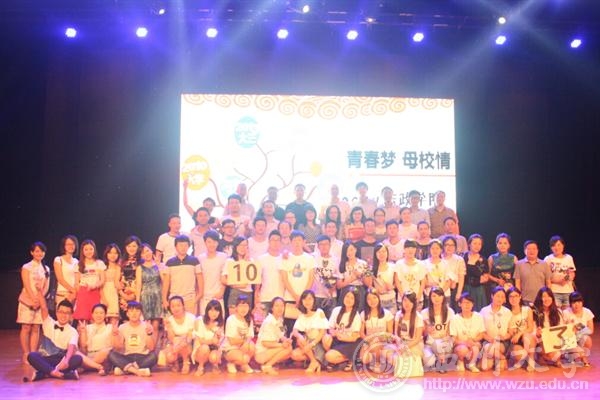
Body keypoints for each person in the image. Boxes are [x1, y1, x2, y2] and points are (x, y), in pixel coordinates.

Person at [27, 295, 82, 381]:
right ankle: (59, 374)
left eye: (67, 313)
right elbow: (44, 307)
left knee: (78, 359)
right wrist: (39, 292)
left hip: (60, 360)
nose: (63, 315)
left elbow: (71, 347)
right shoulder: (49, 323)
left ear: (71, 315)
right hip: (46, 358)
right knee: (32, 356)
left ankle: (45, 373)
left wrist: (66, 361)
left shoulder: (73, 331)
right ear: (56, 313)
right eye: (61, 312)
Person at [17, 242, 50, 377]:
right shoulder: (26, 267)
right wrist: (33, 299)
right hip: (28, 300)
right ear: (32, 253)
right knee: (26, 327)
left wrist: (40, 299)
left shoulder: (46, 268)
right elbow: (26, 284)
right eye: (36, 251)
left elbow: (46, 287)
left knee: (36, 327)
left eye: (41, 251)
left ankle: (33, 354)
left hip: (39, 301)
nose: (39, 253)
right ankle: (26, 353)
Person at [108, 301, 157, 377]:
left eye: (137, 311)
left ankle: (126, 369)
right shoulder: (122, 327)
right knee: (111, 354)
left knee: (153, 356)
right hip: (127, 357)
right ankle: (137, 371)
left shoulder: (147, 326)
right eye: (131, 311)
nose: (134, 313)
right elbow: (118, 347)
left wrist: (149, 334)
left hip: (142, 357)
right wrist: (115, 335)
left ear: (141, 313)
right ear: (127, 313)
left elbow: (151, 348)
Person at [323, 289, 362, 372]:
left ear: (355, 301)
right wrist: (333, 333)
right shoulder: (336, 310)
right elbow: (330, 328)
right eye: (347, 296)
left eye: (352, 298)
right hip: (338, 340)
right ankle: (335, 361)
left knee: (328, 356)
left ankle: (351, 358)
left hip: (350, 343)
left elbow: (354, 337)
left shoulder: (356, 315)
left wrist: (341, 336)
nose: (348, 299)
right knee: (326, 338)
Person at [162, 235, 203, 314]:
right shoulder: (169, 262)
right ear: (176, 247)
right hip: (174, 299)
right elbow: (166, 282)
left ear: (189, 246)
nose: (183, 248)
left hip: (190, 299)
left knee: (190, 321)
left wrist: (197, 298)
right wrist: (164, 299)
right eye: (180, 245)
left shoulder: (195, 261)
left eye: (185, 245)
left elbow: (200, 280)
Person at [291, 290, 329, 373]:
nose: (307, 301)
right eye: (305, 299)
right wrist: (299, 336)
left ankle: (317, 361)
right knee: (294, 353)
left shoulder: (319, 312)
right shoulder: (302, 315)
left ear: (314, 300)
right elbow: (295, 330)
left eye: (309, 299)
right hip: (308, 343)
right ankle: (314, 361)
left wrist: (312, 344)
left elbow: (323, 332)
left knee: (326, 339)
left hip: (318, 342)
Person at [255, 297, 293, 375]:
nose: (280, 308)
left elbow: (281, 335)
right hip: (261, 353)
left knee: (289, 349)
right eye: (277, 306)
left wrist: (287, 340)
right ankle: (267, 365)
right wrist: (282, 345)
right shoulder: (269, 321)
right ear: (272, 308)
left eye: (282, 306)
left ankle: (267, 364)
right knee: (288, 349)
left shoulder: (279, 320)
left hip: (270, 350)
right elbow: (265, 343)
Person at [421, 287, 455, 373]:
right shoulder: (424, 313)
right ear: (430, 297)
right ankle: (438, 360)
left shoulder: (450, 311)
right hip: (430, 344)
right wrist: (427, 330)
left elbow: (451, 331)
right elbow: (422, 333)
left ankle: (441, 363)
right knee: (428, 362)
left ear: (443, 297)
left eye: (439, 296)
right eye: (434, 296)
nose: (437, 298)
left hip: (445, 343)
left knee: (439, 345)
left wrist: (447, 339)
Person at [360, 290, 394, 373]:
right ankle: (376, 360)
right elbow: (361, 333)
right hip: (369, 341)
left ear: (378, 298)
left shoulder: (387, 313)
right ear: (366, 301)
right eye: (369, 299)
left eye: (374, 298)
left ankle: (378, 362)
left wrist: (381, 338)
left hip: (383, 341)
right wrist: (368, 339)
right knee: (364, 358)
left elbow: (390, 332)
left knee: (376, 342)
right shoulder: (363, 314)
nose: (372, 301)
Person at [480, 286, 512, 372]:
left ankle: (496, 356)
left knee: (499, 368)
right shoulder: (484, 311)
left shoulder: (507, 312)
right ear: (492, 296)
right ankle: (502, 358)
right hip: (488, 341)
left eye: (502, 297)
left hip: (502, 342)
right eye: (498, 296)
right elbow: (481, 331)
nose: (500, 299)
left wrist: (504, 337)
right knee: (485, 368)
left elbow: (510, 332)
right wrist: (488, 338)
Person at [221, 236, 257, 314]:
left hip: (248, 293)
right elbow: (223, 279)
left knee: (245, 319)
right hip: (235, 293)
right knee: (233, 318)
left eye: (245, 245)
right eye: (240, 245)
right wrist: (235, 285)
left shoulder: (251, 261)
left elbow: (250, 280)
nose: (242, 248)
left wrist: (245, 261)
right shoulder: (230, 261)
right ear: (236, 246)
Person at [450, 293, 484, 372]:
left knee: (475, 347)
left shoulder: (478, 316)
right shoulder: (455, 318)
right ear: (459, 304)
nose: (467, 305)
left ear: (473, 304)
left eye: (469, 303)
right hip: (460, 344)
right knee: (463, 349)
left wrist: (473, 340)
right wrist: (465, 343)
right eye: (465, 302)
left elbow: (482, 334)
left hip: (474, 342)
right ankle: (460, 361)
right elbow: (453, 339)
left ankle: (472, 364)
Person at [73, 240, 106, 322]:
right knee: (82, 319)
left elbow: (102, 280)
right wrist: (79, 294)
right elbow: (76, 283)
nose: (89, 251)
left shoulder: (99, 263)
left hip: (95, 292)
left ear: (94, 249)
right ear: (82, 251)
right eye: (86, 249)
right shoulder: (78, 265)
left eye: (91, 249)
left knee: (95, 319)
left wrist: (94, 286)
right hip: (83, 292)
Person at [532, 287, 565, 368]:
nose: (546, 299)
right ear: (540, 298)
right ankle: (542, 355)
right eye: (544, 296)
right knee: (554, 356)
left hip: (554, 341)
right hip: (540, 341)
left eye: (549, 296)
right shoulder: (534, 312)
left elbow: (561, 328)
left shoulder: (558, 312)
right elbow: (532, 330)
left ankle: (545, 357)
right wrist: (537, 333)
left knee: (556, 355)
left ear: (552, 298)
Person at [505, 287, 536, 372]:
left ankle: (531, 359)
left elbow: (530, 328)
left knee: (527, 336)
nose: (513, 299)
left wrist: (519, 334)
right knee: (520, 355)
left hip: (526, 337)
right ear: (508, 298)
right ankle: (520, 359)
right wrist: (512, 333)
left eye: (516, 296)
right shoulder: (506, 312)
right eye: (511, 296)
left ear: (520, 296)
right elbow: (507, 329)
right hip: (513, 340)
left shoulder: (527, 309)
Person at [222, 295, 255, 374]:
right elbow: (232, 341)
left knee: (252, 346)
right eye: (241, 306)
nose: (243, 309)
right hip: (230, 349)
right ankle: (233, 363)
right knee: (245, 358)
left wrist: (246, 343)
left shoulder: (249, 319)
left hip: (242, 347)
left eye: (246, 306)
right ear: (236, 307)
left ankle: (242, 364)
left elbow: (250, 336)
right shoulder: (231, 320)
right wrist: (244, 341)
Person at [135, 243, 163, 337]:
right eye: (143, 253)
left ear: (151, 251)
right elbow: (139, 285)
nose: (146, 254)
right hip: (145, 297)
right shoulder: (140, 268)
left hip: (158, 296)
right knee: (146, 326)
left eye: (147, 251)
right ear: (141, 256)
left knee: (156, 325)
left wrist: (158, 265)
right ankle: (147, 344)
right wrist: (137, 301)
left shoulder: (159, 265)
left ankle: (154, 346)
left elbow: (164, 280)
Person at [76, 303, 112, 375]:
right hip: (89, 356)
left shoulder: (110, 327)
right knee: (76, 352)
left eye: (101, 313)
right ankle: (98, 367)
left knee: (106, 351)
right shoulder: (87, 327)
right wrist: (83, 332)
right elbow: (83, 346)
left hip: (102, 356)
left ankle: (86, 367)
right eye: (96, 313)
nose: (98, 315)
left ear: (105, 315)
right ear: (92, 315)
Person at [164, 296, 195, 374]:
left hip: (188, 344)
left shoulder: (191, 317)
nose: (176, 308)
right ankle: (175, 362)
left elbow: (191, 336)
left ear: (183, 306)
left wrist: (182, 340)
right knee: (169, 357)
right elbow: (171, 338)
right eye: (173, 306)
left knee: (183, 341)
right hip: (174, 344)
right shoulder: (169, 320)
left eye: (178, 305)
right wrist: (169, 327)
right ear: (170, 308)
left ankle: (186, 362)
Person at [192, 300, 225, 375]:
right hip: (200, 349)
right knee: (205, 348)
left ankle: (215, 365)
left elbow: (219, 342)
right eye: (211, 310)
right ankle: (200, 366)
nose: (214, 313)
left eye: (217, 310)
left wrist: (218, 339)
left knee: (214, 356)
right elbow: (199, 340)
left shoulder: (220, 323)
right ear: (207, 310)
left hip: (214, 348)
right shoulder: (199, 320)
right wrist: (212, 341)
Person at [337, 241, 371, 313]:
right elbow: (338, 286)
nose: (349, 253)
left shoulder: (364, 263)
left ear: (356, 249)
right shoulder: (342, 264)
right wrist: (351, 279)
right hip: (346, 291)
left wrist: (360, 276)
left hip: (360, 291)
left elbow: (369, 284)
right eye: (347, 251)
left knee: (359, 312)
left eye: (351, 250)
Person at [255, 230, 285, 314]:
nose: (275, 242)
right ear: (269, 242)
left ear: (281, 242)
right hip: (265, 298)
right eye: (273, 240)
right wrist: (256, 298)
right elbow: (257, 281)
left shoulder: (285, 259)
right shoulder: (261, 259)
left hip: (280, 298)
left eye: (278, 240)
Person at [198, 230, 227, 313]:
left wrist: (222, 291)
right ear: (205, 242)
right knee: (204, 319)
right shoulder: (200, 258)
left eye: (214, 242)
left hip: (218, 295)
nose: (212, 244)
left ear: (218, 243)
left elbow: (225, 275)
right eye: (209, 242)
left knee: (219, 319)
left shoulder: (223, 257)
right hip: (204, 296)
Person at [543, 235, 576, 309]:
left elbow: (572, 273)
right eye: (553, 245)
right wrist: (557, 281)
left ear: (563, 246)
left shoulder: (568, 258)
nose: (556, 247)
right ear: (551, 247)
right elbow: (546, 276)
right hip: (554, 291)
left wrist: (565, 279)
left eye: (559, 245)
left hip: (568, 291)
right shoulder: (548, 259)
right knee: (556, 313)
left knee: (567, 313)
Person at [514, 240, 552, 305]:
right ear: (524, 251)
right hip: (525, 300)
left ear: (537, 251)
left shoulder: (544, 264)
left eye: (534, 249)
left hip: (541, 300)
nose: (531, 251)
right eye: (529, 249)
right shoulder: (519, 264)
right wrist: (519, 298)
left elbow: (548, 283)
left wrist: (548, 297)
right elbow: (517, 284)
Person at [312, 235, 340, 318]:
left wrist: (334, 287)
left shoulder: (336, 260)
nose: (324, 246)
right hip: (316, 295)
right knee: (316, 320)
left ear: (330, 245)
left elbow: (339, 277)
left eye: (326, 244)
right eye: (321, 244)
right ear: (318, 246)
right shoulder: (312, 257)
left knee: (330, 321)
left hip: (331, 296)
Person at [563, 291, 593, 367]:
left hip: (580, 337)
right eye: (574, 302)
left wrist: (578, 328)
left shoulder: (587, 312)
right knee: (575, 349)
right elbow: (563, 330)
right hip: (569, 339)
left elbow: (591, 330)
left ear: (582, 302)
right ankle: (571, 356)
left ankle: (583, 357)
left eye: (579, 302)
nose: (577, 304)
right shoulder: (566, 312)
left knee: (588, 339)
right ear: (570, 303)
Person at [395, 240, 426, 311]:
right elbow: (397, 282)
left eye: (413, 247)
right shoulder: (399, 264)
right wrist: (404, 297)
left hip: (417, 298)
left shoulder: (420, 264)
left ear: (416, 249)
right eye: (408, 247)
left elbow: (423, 282)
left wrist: (418, 297)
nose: (410, 250)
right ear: (404, 249)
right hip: (402, 299)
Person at [423, 239, 454, 309]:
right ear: (429, 250)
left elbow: (449, 281)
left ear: (441, 250)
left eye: (437, 248)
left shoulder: (446, 263)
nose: (435, 251)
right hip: (430, 295)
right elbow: (423, 282)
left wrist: (440, 293)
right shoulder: (424, 263)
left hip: (444, 295)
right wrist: (431, 284)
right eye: (433, 248)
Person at [394, 290, 425, 360]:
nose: (407, 304)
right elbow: (396, 333)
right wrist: (399, 344)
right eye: (405, 300)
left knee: (409, 358)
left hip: (414, 343)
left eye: (410, 301)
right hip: (401, 343)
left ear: (414, 303)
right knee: (395, 358)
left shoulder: (418, 317)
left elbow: (417, 339)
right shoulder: (398, 314)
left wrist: (405, 347)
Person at [463, 234, 489, 312]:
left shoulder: (483, 260)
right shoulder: (463, 257)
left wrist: (477, 280)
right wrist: (478, 278)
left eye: (479, 244)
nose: (477, 246)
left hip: (479, 290)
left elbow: (485, 278)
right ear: (469, 244)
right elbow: (462, 275)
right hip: (466, 289)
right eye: (474, 243)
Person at [441, 235, 465, 312]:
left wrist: (459, 293)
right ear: (443, 246)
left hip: (454, 289)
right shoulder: (439, 258)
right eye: (447, 245)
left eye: (452, 245)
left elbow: (461, 277)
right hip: (442, 287)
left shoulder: (459, 260)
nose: (449, 247)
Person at [53, 235, 79, 306]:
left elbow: (77, 280)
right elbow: (60, 279)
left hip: (74, 295)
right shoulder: (58, 259)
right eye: (68, 244)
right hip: (62, 294)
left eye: (73, 244)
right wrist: (73, 290)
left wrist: (74, 293)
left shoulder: (76, 261)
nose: (71, 246)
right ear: (64, 246)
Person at [371, 243, 397, 315]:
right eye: (379, 252)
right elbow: (369, 286)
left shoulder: (393, 266)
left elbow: (397, 282)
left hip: (391, 299)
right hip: (378, 300)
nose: (381, 254)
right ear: (375, 254)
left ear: (387, 253)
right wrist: (376, 290)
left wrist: (392, 287)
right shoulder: (371, 269)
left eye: (384, 251)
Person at [120, 236, 141, 319]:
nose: (131, 248)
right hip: (123, 296)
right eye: (129, 246)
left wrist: (135, 295)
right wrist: (122, 294)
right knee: (125, 319)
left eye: (134, 246)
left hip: (138, 294)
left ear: (138, 247)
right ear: (125, 247)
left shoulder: (142, 261)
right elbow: (117, 280)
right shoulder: (121, 262)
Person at [102, 243, 121, 326]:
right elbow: (101, 285)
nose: (113, 255)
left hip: (114, 294)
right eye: (110, 253)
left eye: (115, 253)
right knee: (102, 321)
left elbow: (117, 282)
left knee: (113, 322)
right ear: (106, 254)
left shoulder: (119, 267)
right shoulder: (102, 266)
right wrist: (103, 299)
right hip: (104, 293)